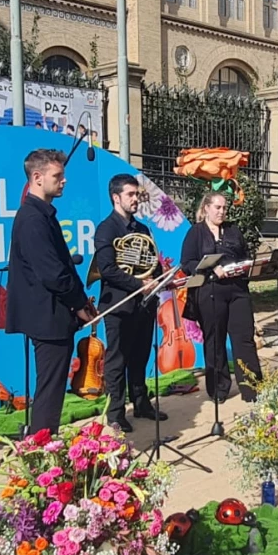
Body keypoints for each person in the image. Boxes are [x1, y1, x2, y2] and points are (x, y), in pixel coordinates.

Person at [6, 149, 95, 433]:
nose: (64, 181)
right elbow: (52, 274)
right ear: (37, 177)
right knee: (50, 388)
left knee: (53, 387)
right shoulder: (32, 218)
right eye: (57, 176)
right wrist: (80, 303)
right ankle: (41, 452)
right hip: (47, 317)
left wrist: (79, 300)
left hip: (54, 314)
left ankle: (44, 445)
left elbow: (61, 267)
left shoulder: (42, 214)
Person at [94, 174, 166, 432]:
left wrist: (158, 279)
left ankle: (141, 402)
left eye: (137, 194)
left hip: (143, 304)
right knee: (117, 360)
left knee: (140, 356)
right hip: (119, 305)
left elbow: (151, 262)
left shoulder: (142, 229)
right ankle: (115, 413)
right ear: (116, 198)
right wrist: (139, 284)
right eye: (130, 195)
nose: (136, 199)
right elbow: (108, 269)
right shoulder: (106, 229)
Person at [180, 192, 260, 403]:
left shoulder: (233, 230)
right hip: (210, 291)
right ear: (206, 207)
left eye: (224, 208)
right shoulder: (195, 233)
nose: (222, 212)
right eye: (217, 207)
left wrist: (242, 267)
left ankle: (251, 388)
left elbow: (245, 256)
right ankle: (219, 390)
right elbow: (187, 263)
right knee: (214, 341)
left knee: (244, 338)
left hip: (237, 290)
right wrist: (212, 268)